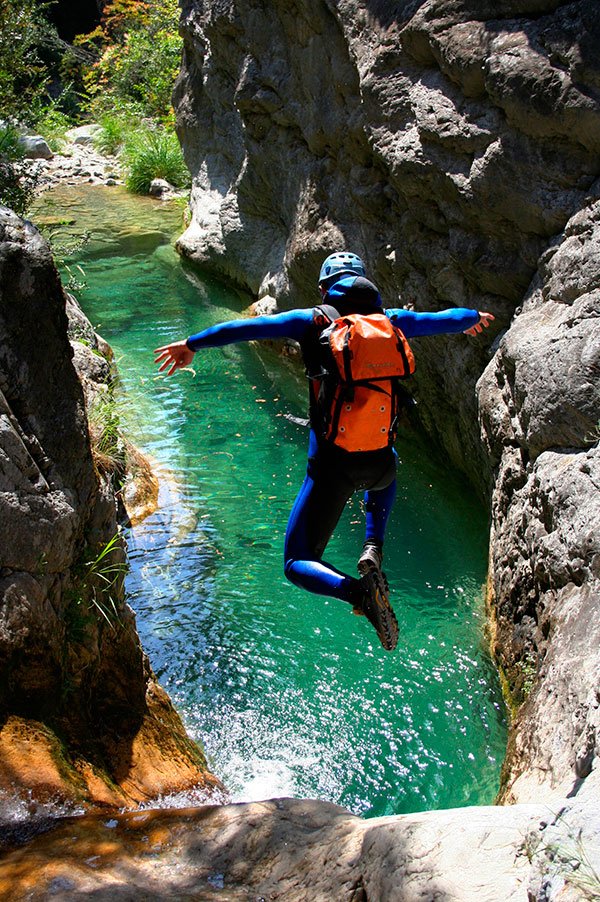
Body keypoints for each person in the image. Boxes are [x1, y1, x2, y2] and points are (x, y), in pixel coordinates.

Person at [154, 251, 494, 652]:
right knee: (388, 463)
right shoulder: (393, 322)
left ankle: (358, 594)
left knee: (296, 561)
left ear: (323, 288)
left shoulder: (311, 321)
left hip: (332, 469)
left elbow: (246, 328)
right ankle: (373, 546)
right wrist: (474, 317)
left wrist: (192, 343)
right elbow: (443, 320)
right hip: (381, 466)